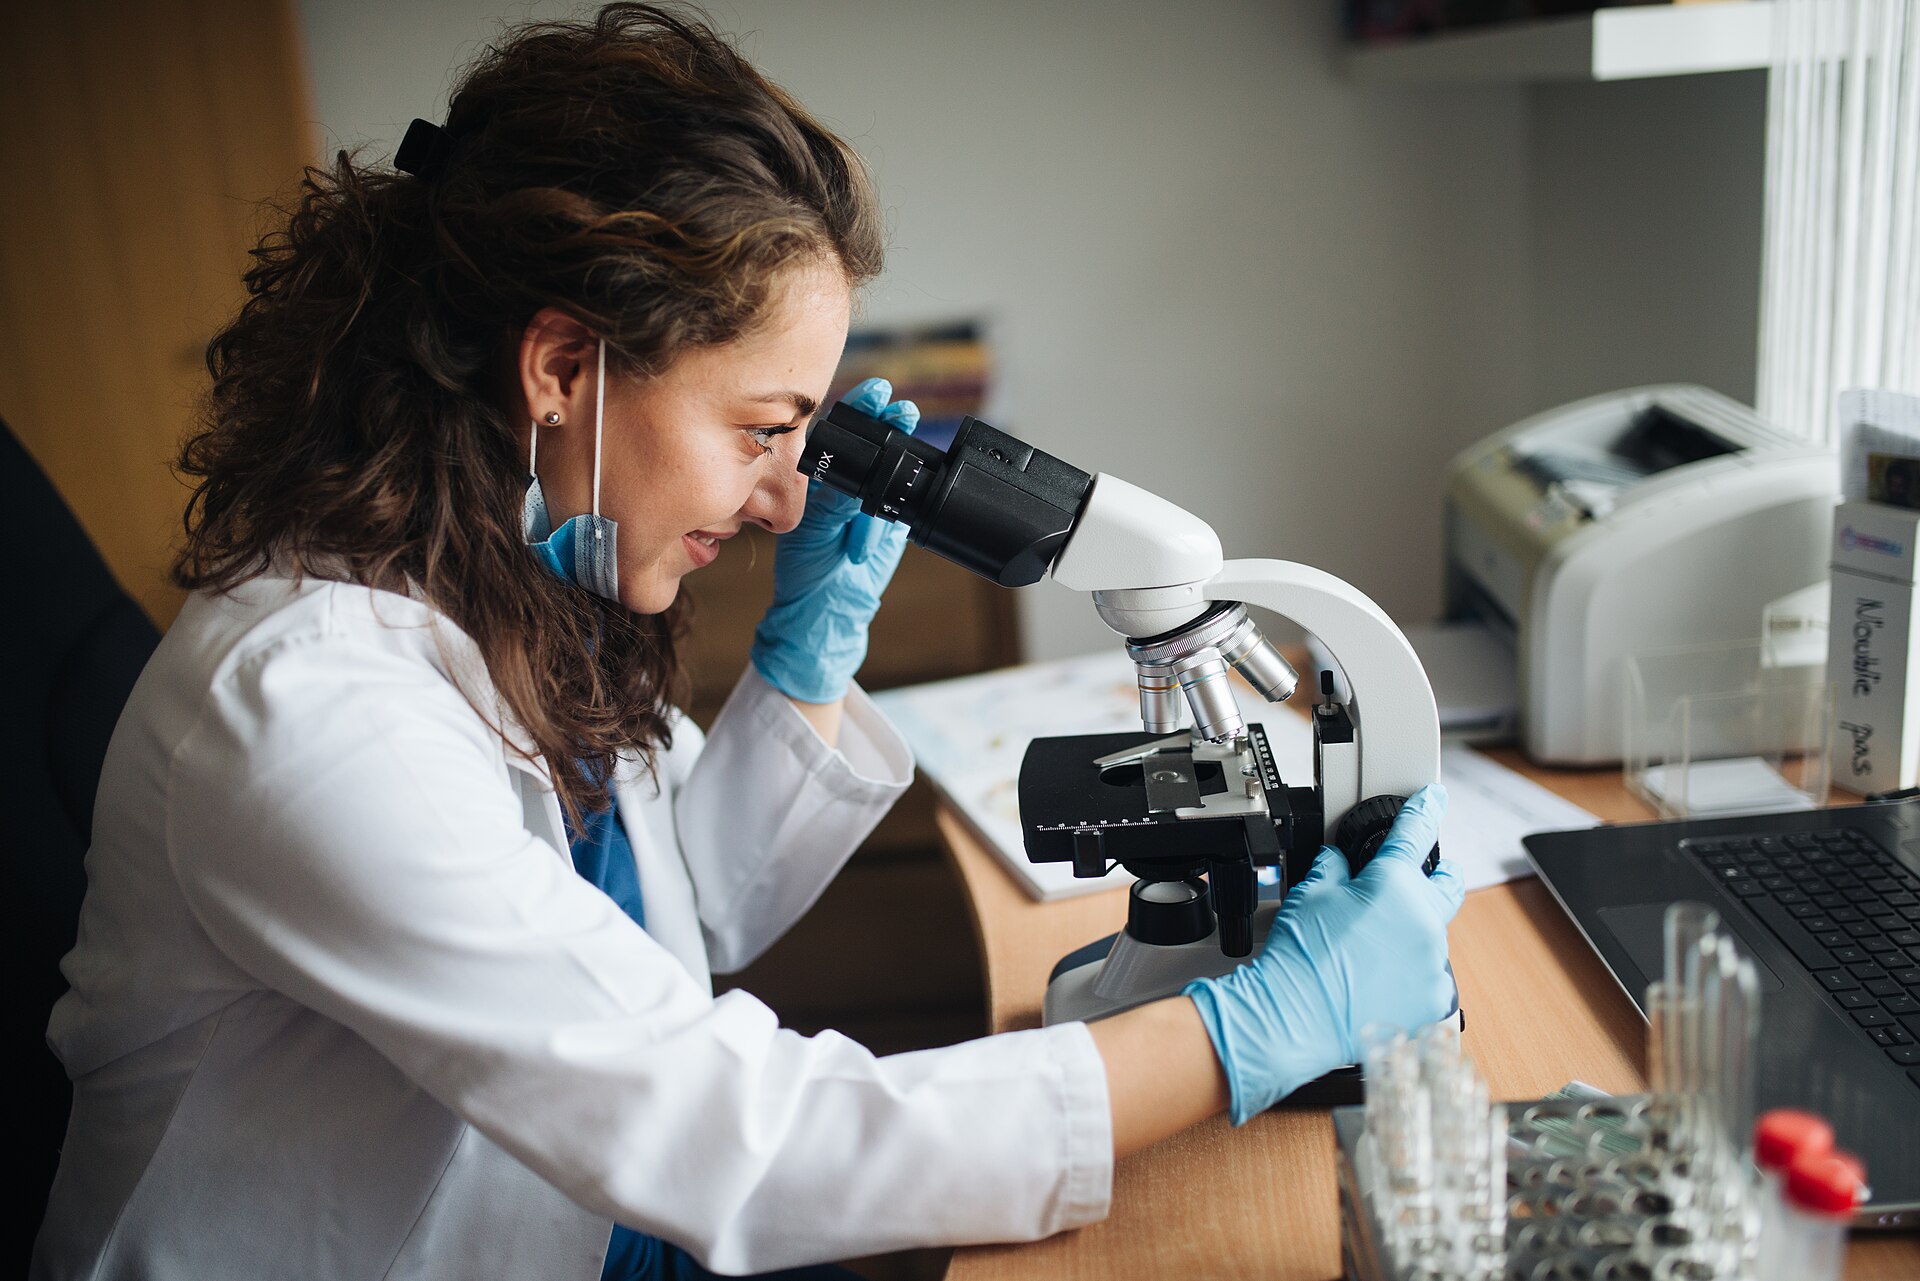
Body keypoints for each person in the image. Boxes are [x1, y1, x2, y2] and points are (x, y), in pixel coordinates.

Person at [30, 6, 1464, 1279]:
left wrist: (804, 661)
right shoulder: (310, 710)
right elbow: (722, 1132)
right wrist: (1243, 1031)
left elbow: (672, 933)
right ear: (564, 368)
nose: (789, 493)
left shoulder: (518, 579)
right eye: (762, 428)